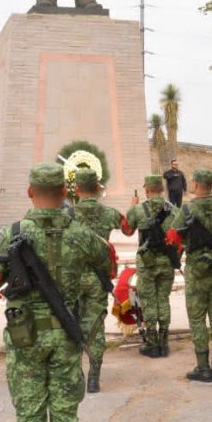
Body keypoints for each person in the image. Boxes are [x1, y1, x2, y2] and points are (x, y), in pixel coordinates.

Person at [0, 162, 110, 422]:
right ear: (64, 192)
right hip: (67, 332)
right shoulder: (82, 234)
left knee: (30, 415)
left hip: (25, 335)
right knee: (65, 415)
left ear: (30, 191)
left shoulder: (12, 234)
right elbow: (108, 264)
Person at [164, 169, 212, 382]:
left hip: (196, 269)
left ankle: (203, 367)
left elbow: (172, 236)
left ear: (196, 184)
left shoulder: (187, 209)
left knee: (197, 318)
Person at [70, 168, 121, 392]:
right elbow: (128, 228)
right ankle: (94, 377)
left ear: (77, 189)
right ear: (98, 188)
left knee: (70, 324)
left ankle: (77, 375)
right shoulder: (109, 213)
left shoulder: (67, 215)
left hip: (72, 277)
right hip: (99, 278)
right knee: (96, 326)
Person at [121, 174, 180, 358]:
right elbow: (179, 237)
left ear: (146, 190)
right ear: (162, 189)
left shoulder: (138, 210)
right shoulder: (174, 210)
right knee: (163, 299)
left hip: (146, 263)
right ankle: (164, 343)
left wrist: (132, 205)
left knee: (148, 302)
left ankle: (152, 344)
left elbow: (127, 231)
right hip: (166, 262)